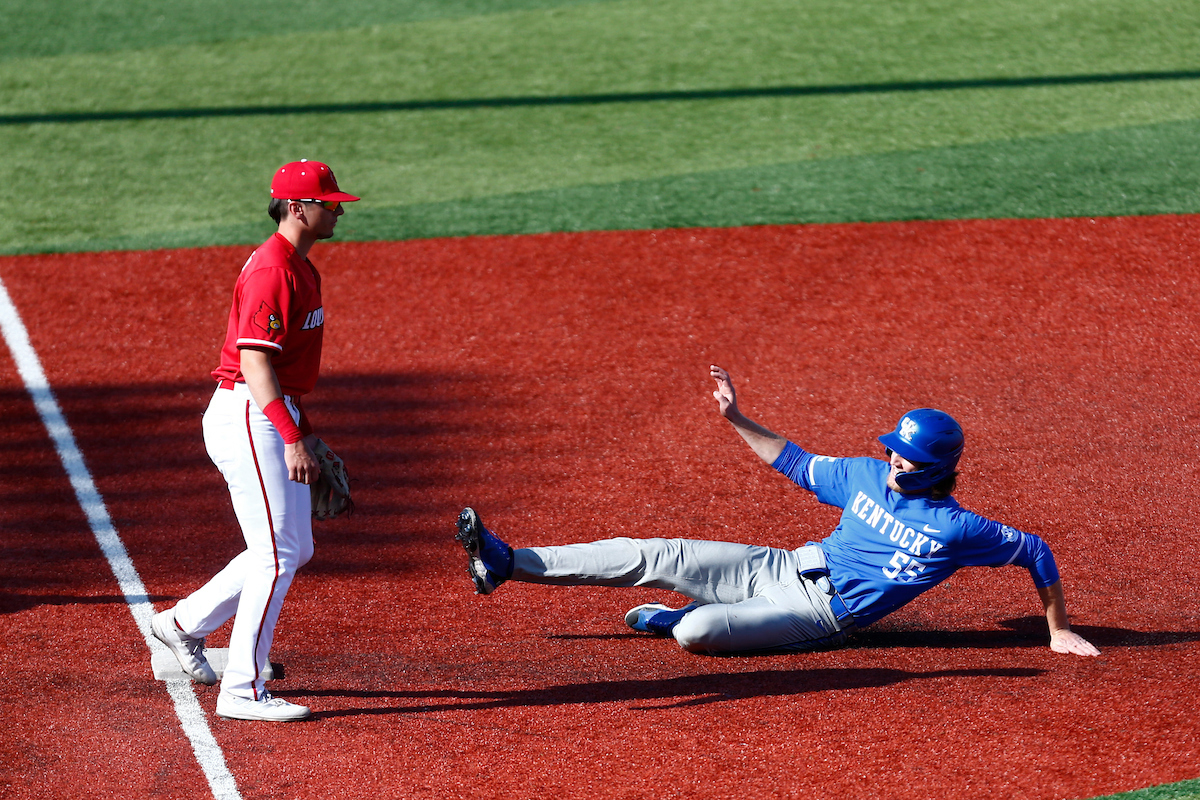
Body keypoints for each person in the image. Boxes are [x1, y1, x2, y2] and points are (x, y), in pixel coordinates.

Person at [454, 364, 1100, 658]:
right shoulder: (864, 476)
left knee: (694, 634)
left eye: (906, 457)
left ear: (934, 466)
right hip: (779, 566)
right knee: (657, 552)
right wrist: (737, 417)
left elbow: (1034, 550)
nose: (895, 460)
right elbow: (790, 460)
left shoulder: (957, 530)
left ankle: (680, 616)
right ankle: (509, 562)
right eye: (895, 452)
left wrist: (1055, 629)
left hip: (815, 614)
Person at [151, 160, 360, 721]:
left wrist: (306, 436)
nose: (337, 210)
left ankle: (180, 625)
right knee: (277, 554)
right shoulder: (274, 270)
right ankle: (242, 690)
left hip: (270, 411)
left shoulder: (298, 264)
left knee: (295, 548)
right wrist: (293, 438)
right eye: (329, 202)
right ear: (299, 207)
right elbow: (254, 364)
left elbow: (282, 379)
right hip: (250, 414)